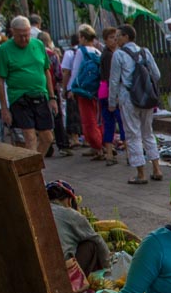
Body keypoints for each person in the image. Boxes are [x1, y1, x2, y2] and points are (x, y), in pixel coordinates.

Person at [0, 15, 58, 156]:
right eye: (20, 36)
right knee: (29, 137)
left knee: (47, 137)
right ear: (13, 32)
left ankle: (35, 165)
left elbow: (46, 71)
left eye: (27, 35)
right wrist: (4, 108)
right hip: (20, 97)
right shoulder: (4, 50)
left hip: (40, 95)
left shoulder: (38, 45)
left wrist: (52, 98)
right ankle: (33, 172)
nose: (24, 39)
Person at [109, 24, 164, 185]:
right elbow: (157, 74)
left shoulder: (118, 55)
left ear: (126, 37)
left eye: (118, 36)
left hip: (128, 98)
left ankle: (141, 174)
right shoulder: (145, 52)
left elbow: (113, 81)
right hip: (146, 99)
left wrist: (112, 102)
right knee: (148, 132)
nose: (116, 39)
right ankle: (157, 169)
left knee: (133, 135)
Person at [46, 180, 109, 274]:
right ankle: (87, 281)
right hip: (63, 271)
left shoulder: (38, 212)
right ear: (69, 200)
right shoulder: (69, 214)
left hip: (43, 269)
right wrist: (108, 267)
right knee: (92, 244)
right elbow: (98, 240)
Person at [70, 24, 104, 161]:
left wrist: (71, 88)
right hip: (96, 90)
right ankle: (99, 145)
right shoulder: (98, 52)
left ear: (83, 37)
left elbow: (75, 70)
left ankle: (97, 146)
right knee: (97, 118)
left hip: (84, 90)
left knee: (88, 118)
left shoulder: (81, 51)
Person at [39, 31, 73, 157]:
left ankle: (47, 147)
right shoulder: (52, 55)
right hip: (52, 89)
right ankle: (63, 145)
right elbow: (59, 74)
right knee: (57, 118)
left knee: (43, 120)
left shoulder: (35, 54)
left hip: (40, 91)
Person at [99, 27, 126, 165]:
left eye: (116, 37)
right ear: (105, 40)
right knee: (121, 122)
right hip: (110, 93)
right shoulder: (110, 56)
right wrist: (114, 97)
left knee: (109, 124)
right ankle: (128, 154)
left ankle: (109, 154)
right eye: (111, 37)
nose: (114, 40)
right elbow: (113, 78)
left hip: (104, 91)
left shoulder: (107, 54)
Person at [61, 34, 83, 146]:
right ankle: (87, 139)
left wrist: (64, 88)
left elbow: (66, 72)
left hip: (72, 87)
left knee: (73, 113)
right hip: (85, 88)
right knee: (84, 113)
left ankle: (75, 139)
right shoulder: (88, 51)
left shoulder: (69, 53)